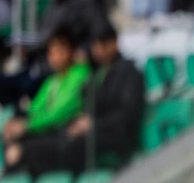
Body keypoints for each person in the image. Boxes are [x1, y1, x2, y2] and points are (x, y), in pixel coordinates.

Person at [15, 22, 145, 175]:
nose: (99, 49)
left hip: (116, 134)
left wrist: (93, 124)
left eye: (103, 44)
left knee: (69, 146)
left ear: (114, 43)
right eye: (95, 45)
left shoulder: (128, 72)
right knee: (44, 143)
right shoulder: (98, 74)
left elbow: (127, 114)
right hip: (96, 131)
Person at [2, 28, 91, 172]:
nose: (54, 57)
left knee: (18, 151)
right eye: (51, 52)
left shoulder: (79, 75)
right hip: (48, 131)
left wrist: (27, 126)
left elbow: (60, 114)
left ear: (72, 51)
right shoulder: (52, 80)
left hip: (66, 134)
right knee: (8, 139)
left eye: (59, 51)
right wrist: (17, 124)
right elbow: (35, 108)